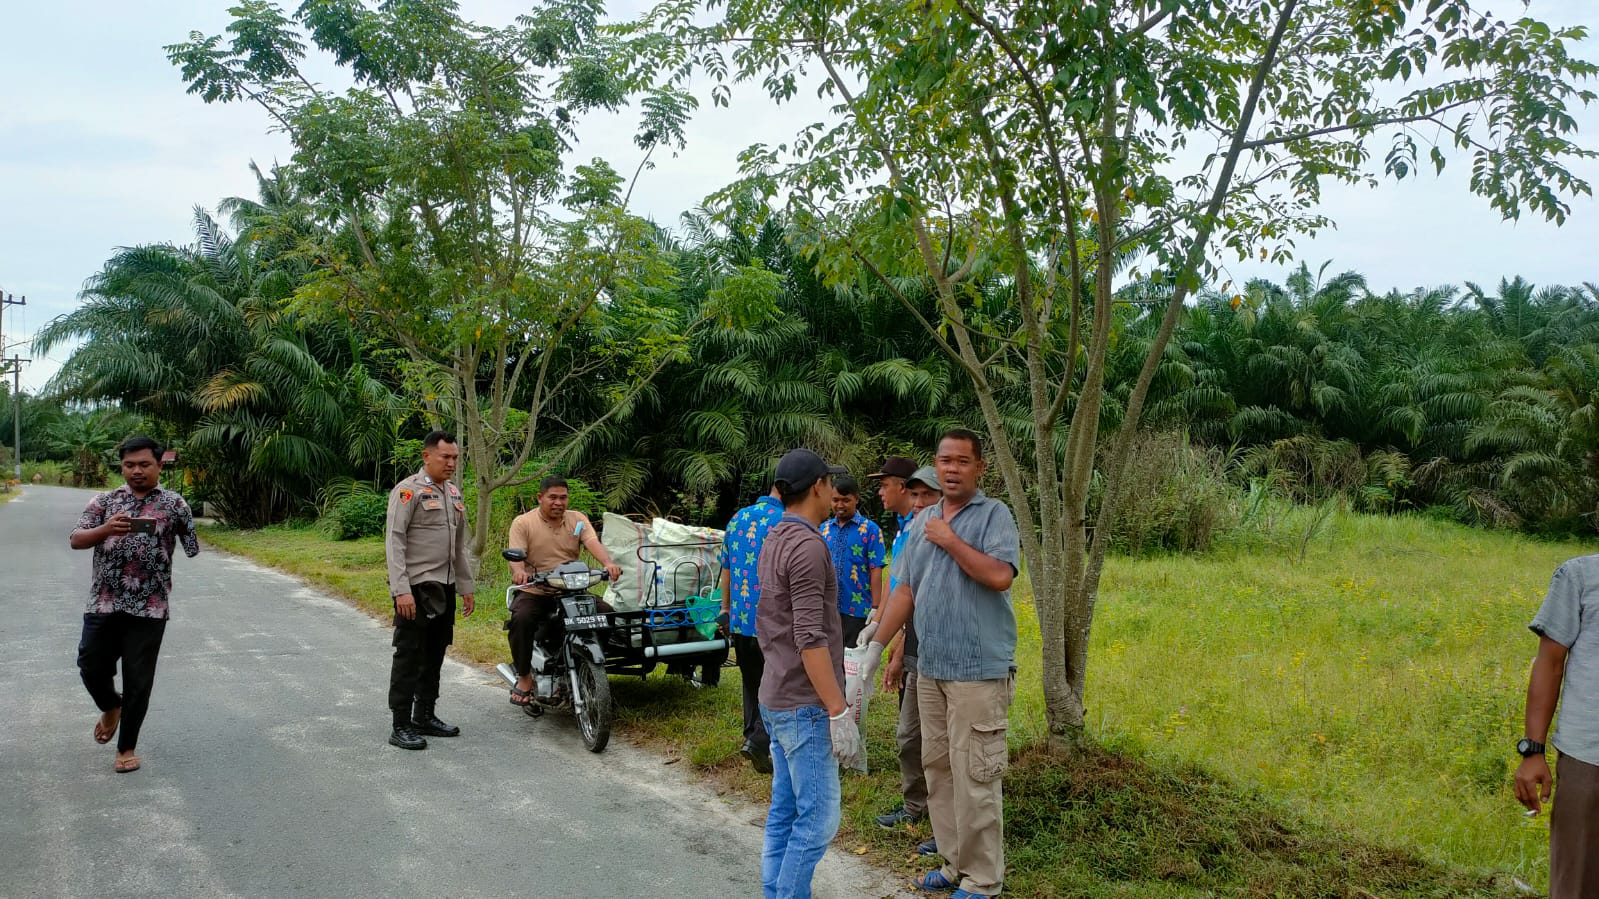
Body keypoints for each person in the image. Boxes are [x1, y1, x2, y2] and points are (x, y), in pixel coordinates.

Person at [860, 429, 1021, 899]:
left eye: (962, 461)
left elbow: (999, 576)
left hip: (978, 669)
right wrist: (877, 643)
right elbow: (905, 589)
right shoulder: (921, 520)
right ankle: (954, 863)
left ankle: (984, 879)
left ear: (979, 468)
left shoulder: (994, 515)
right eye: (945, 460)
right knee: (939, 768)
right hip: (928, 667)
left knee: (975, 775)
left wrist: (949, 540)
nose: (952, 469)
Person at [756, 448, 861, 899]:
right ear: (819, 487)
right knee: (818, 819)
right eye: (829, 483)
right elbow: (810, 638)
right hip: (804, 704)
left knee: (786, 807)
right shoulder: (808, 546)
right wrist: (837, 709)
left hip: (775, 694)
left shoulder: (776, 535)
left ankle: (776, 891)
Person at [70, 436, 200, 774]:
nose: (137, 471)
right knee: (90, 665)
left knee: (138, 680)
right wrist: (107, 529)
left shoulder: (175, 504)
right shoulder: (105, 501)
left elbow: (192, 545)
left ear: (159, 465)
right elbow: (76, 539)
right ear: (122, 467)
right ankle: (111, 706)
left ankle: (126, 748)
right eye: (130, 465)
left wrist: (176, 532)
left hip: (150, 607)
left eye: (144, 464)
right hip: (104, 603)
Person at [866, 464, 943, 851]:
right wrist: (880, 638)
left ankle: (946, 827)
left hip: (947, 659)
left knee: (940, 746)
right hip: (914, 650)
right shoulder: (907, 536)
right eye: (915, 495)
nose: (919, 503)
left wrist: (892, 646)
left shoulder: (951, 537)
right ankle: (916, 806)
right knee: (909, 736)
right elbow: (902, 594)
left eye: (926, 495)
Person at [384, 430, 476, 750]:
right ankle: (400, 724)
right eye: (445, 457)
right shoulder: (408, 491)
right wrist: (401, 590)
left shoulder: (453, 493)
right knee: (409, 654)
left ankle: (424, 715)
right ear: (427, 457)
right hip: (417, 587)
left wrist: (466, 586)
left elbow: (459, 546)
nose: (451, 463)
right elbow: (394, 541)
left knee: (435, 653)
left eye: (455, 458)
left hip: (445, 586)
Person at [1515, 554, 1599, 897]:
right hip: (1588, 760)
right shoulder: (1580, 576)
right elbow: (1550, 663)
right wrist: (1532, 750)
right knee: (1576, 885)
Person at [505, 475, 623, 704]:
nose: (558, 502)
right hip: (537, 589)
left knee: (607, 614)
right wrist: (519, 571)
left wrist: (608, 564)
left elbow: (591, 541)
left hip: (572, 589)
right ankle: (524, 677)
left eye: (563, 498)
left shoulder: (577, 519)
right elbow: (515, 552)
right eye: (553, 497)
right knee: (521, 619)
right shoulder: (523, 522)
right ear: (540, 498)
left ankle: (587, 666)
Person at [719, 482, 786, 773]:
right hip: (772, 622)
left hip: (740, 618)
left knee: (751, 681)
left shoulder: (738, 518)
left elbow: (726, 569)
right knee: (774, 684)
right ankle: (760, 741)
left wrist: (724, 609)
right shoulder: (787, 522)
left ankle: (751, 737)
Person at [819, 474, 886, 648]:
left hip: (857, 609)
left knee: (852, 663)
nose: (840, 505)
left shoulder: (870, 530)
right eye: (835, 500)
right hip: (827, 608)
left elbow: (876, 569)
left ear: (856, 499)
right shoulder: (823, 529)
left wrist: (876, 607)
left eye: (846, 500)